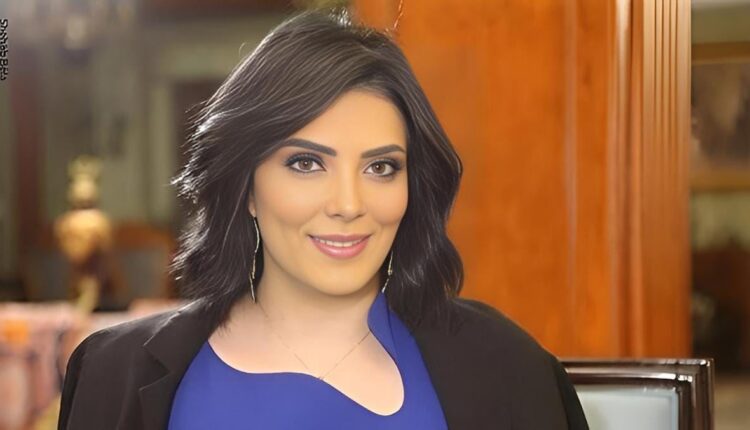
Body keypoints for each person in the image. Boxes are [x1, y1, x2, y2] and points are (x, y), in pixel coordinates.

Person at [58, 8, 589, 430]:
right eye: (307, 163)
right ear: (246, 187)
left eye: (381, 167)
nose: (349, 204)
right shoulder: (111, 373)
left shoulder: (508, 367)